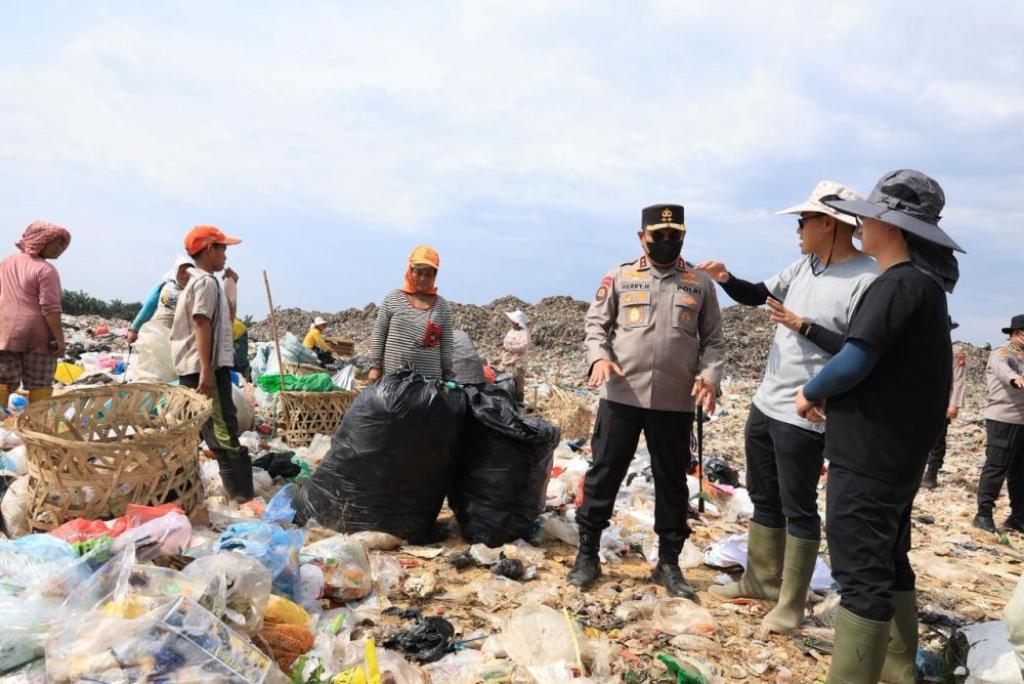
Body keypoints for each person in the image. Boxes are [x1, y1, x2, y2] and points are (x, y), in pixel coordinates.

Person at [795, 170, 963, 682]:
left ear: (891, 225)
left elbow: (854, 359)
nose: (861, 223)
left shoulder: (897, 286)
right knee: (890, 558)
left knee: (860, 571)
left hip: (868, 458)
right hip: (897, 455)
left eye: (870, 215)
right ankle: (897, 670)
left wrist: (811, 391)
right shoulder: (927, 289)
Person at [697, 181, 877, 636]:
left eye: (804, 221)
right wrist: (725, 279)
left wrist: (803, 325)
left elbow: (860, 349)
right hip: (766, 402)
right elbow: (758, 294)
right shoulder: (806, 265)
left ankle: (791, 603)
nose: (797, 229)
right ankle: (760, 580)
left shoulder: (866, 279)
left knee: (799, 506)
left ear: (830, 224)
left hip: (805, 408)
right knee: (764, 495)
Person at [570, 204, 725, 598]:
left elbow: (713, 341)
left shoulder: (699, 283)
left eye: (676, 236)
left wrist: (709, 377)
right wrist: (599, 358)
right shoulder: (621, 276)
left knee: (672, 482)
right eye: (660, 237)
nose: (668, 243)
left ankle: (668, 564)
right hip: (622, 393)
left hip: (675, 400)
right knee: (605, 472)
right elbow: (595, 325)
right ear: (642, 237)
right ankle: (588, 555)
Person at [170, 225, 254, 502]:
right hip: (205, 367)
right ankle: (241, 496)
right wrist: (207, 370)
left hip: (204, 366)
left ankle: (179, 489)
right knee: (223, 429)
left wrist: (232, 285)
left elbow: (224, 319)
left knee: (195, 428)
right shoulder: (204, 282)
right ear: (209, 249)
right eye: (223, 249)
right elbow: (201, 323)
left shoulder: (204, 282)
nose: (226, 255)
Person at [0, 221, 72, 411]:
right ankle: (37, 426)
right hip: (37, 335)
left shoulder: (7, 261)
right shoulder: (46, 270)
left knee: (3, 380)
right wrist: (59, 339)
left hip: (6, 331)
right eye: (57, 243)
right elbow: (50, 308)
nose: (61, 248)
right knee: (39, 382)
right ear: (41, 241)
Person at [368, 245, 454, 382]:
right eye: (419, 272)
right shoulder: (393, 298)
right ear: (410, 271)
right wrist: (375, 367)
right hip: (393, 381)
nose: (423, 278)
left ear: (435, 275)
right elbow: (379, 333)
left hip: (428, 384)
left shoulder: (442, 307)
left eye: (428, 274)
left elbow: (446, 345)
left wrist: (448, 376)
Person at [972, 315, 1024, 532]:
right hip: (1003, 418)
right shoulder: (1002, 352)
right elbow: (1005, 370)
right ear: (1017, 334)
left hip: (1022, 421)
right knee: (996, 466)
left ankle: (1018, 516)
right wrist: (1016, 379)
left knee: (1021, 471)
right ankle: (983, 513)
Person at [125, 256, 193, 382]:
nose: (185, 275)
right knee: (152, 370)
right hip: (158, 334)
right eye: (181, 271)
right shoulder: (164, 287)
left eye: (188, 272)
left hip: (180, 339)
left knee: (173, 373)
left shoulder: (194, 292)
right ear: (175, 271)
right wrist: (134, 329)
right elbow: (147, 309)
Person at [921, 317, 967, 489]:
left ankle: (931, 474)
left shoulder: (956, 352)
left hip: (941, 402)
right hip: (920, 402)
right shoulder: (923, 348)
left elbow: (959, 380)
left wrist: (954, 404)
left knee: (937, 440)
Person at [500, 310, 530, 403]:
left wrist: (509, 348)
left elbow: (523, 347)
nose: (511, 322)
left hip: (517, 364)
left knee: (517, 387)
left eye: (513, 321)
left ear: (518, 322)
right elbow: (506, 344)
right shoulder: (511, 331)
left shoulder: (524, 333)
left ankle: (519, 406)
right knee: (506, 385)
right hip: (506, 362)